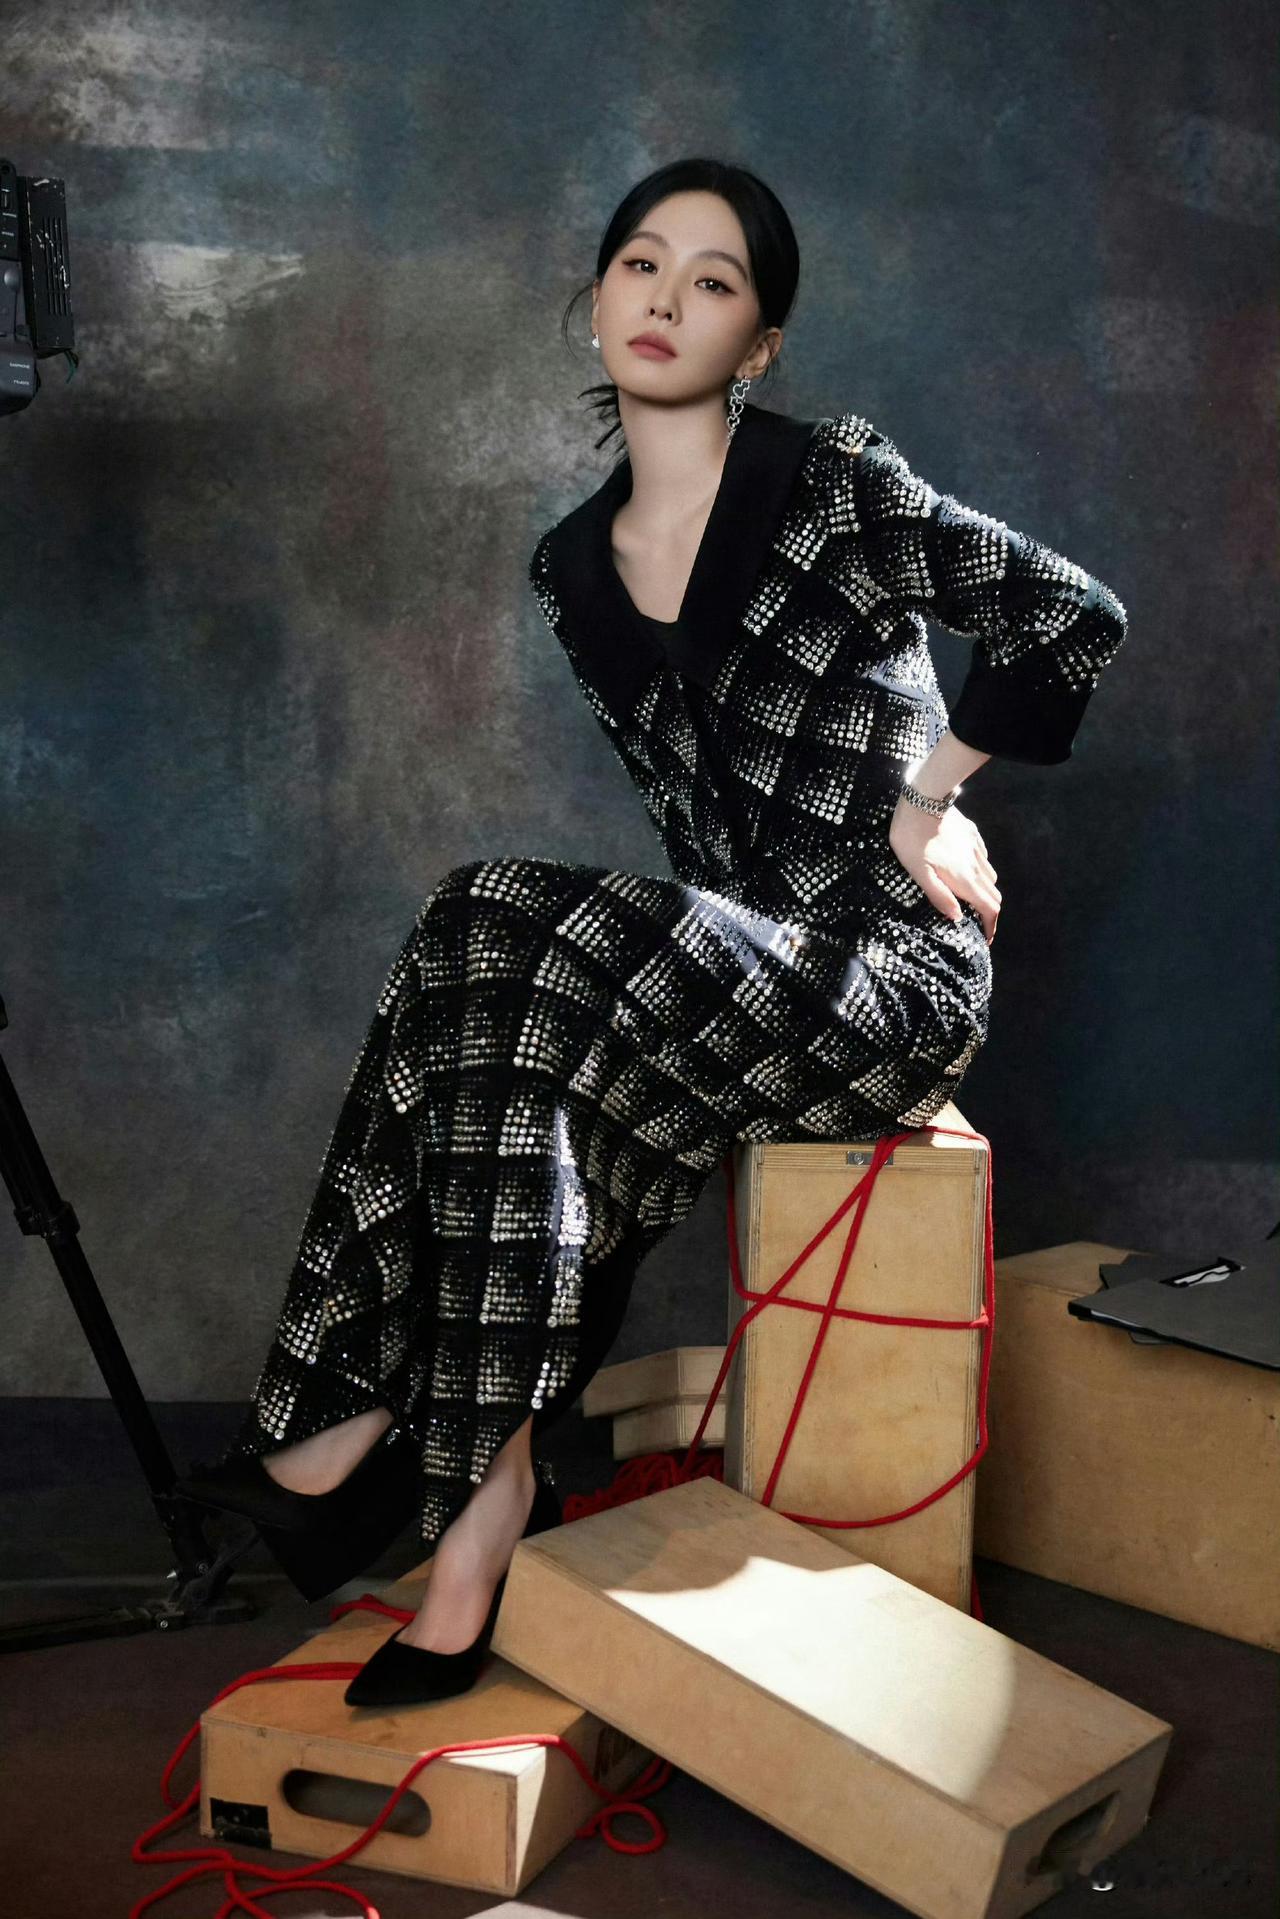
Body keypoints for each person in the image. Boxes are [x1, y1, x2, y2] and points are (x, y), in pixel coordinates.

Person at [177, 156, 1128, 1709]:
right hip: (735, 974)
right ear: (597, 299)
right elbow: (699, 837)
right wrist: (633, 1008)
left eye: (715, 280)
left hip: (887, 979)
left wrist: (927, 794)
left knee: (485, 915)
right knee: (490, 1003)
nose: (668, 299)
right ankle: (477, 1514)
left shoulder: (832, 480)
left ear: (759, 341)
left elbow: (1067, 614)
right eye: (641, 265)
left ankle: (345, 1425)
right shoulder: (572, 569)